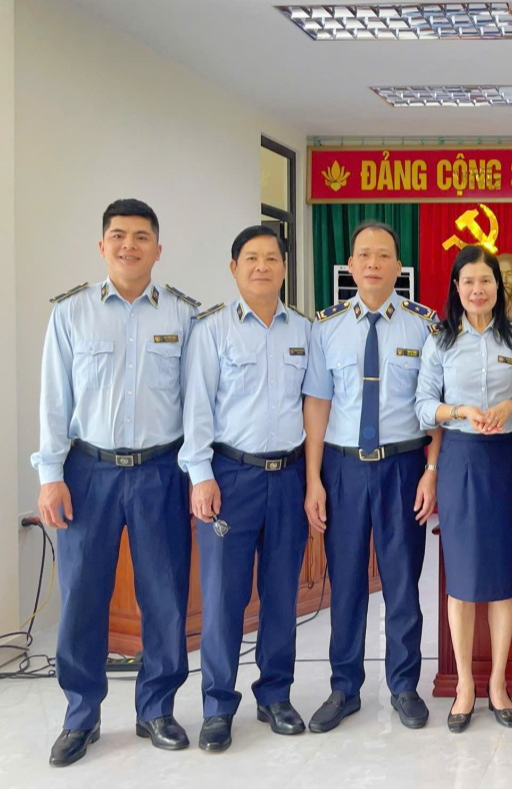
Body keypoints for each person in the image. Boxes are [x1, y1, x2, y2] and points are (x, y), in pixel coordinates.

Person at [33, 198, 199, 766]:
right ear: (102, 245)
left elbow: (194, 404)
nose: (130, 245)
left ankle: (157, 708)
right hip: (88, 471)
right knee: (83, 596)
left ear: (158, 248)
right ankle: (81, 715)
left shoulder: (182, 316)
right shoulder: (71, 314)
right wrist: (50, 475)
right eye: (119, 236)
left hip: (161, 470)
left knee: (165, 596)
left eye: (141, 236)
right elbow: (54, 401)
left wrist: (195, 470)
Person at [301, 220, 441, 733]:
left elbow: (435, 405)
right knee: (346, 583)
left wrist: (431, 470)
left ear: (399, 266)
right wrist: (314, 480)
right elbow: (317, 405)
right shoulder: (327, 327)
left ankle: (404, 686)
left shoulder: (424, 326)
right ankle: (344, 687)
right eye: (364, 255)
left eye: (384, 255)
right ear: (351, 265)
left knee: (402, 583)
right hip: (341, 469)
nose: (374, 263)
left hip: (403, 466)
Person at [179, 225, 312, 751]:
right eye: (251, 258)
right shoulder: (211, 330)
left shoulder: (304, 329)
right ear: (234, 268)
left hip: (289, 477)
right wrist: (201, 475)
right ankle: (217, 706)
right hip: (230, 478)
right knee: (223, 599)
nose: (262, 266)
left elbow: (314, 407)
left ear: (285, 267)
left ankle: (275, 695)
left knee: (282, 595)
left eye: (272, 258)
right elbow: (197, 408)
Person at [414, 245, 512, 733]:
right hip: (461, 459)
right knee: (462, 580)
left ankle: (498, 683)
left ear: (499, 286)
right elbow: (423, 405)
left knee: (505, 576)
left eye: (485, 281)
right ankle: (465, 685)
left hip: (507, 460)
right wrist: (458, 411)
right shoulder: (441, 341)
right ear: (456, 288)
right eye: (468, 281)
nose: (478, 289)